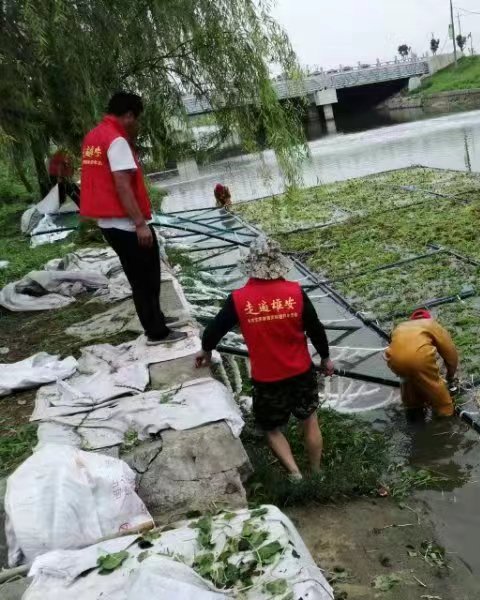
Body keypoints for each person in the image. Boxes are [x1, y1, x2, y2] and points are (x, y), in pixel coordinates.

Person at [196, 237, 334, 480]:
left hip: (267, 378)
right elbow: (316, 329)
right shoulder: (295, 293)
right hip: (301, 371)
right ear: (279, 264)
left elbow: (215, 330)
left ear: (251, 266)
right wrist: (325, 358)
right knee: (310, 420)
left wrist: (206, 350)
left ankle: (295, 474)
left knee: (270, 429)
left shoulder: (239, 299)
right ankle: (317, 471)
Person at [80, 92, 187, 346]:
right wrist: (140, 224)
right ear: (128, 115)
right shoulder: (116, 140)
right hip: (126, 223)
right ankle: (157, 332)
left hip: (108, 221)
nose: (137, 125)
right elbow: (122, 186)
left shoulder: (93, 137)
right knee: (146, 278)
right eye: (136, 119)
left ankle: (157, 320)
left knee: (139, 276)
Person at [385, 309, 459, 417]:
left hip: (393, 360)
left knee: (408, 383)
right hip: (418, 360)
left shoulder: (401, 326)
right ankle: (445, 416)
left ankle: (413, 412)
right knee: (434, 386)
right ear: (428, 318)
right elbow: (451, 354)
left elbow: (394, 343)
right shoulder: (431, 324)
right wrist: (450, 376)